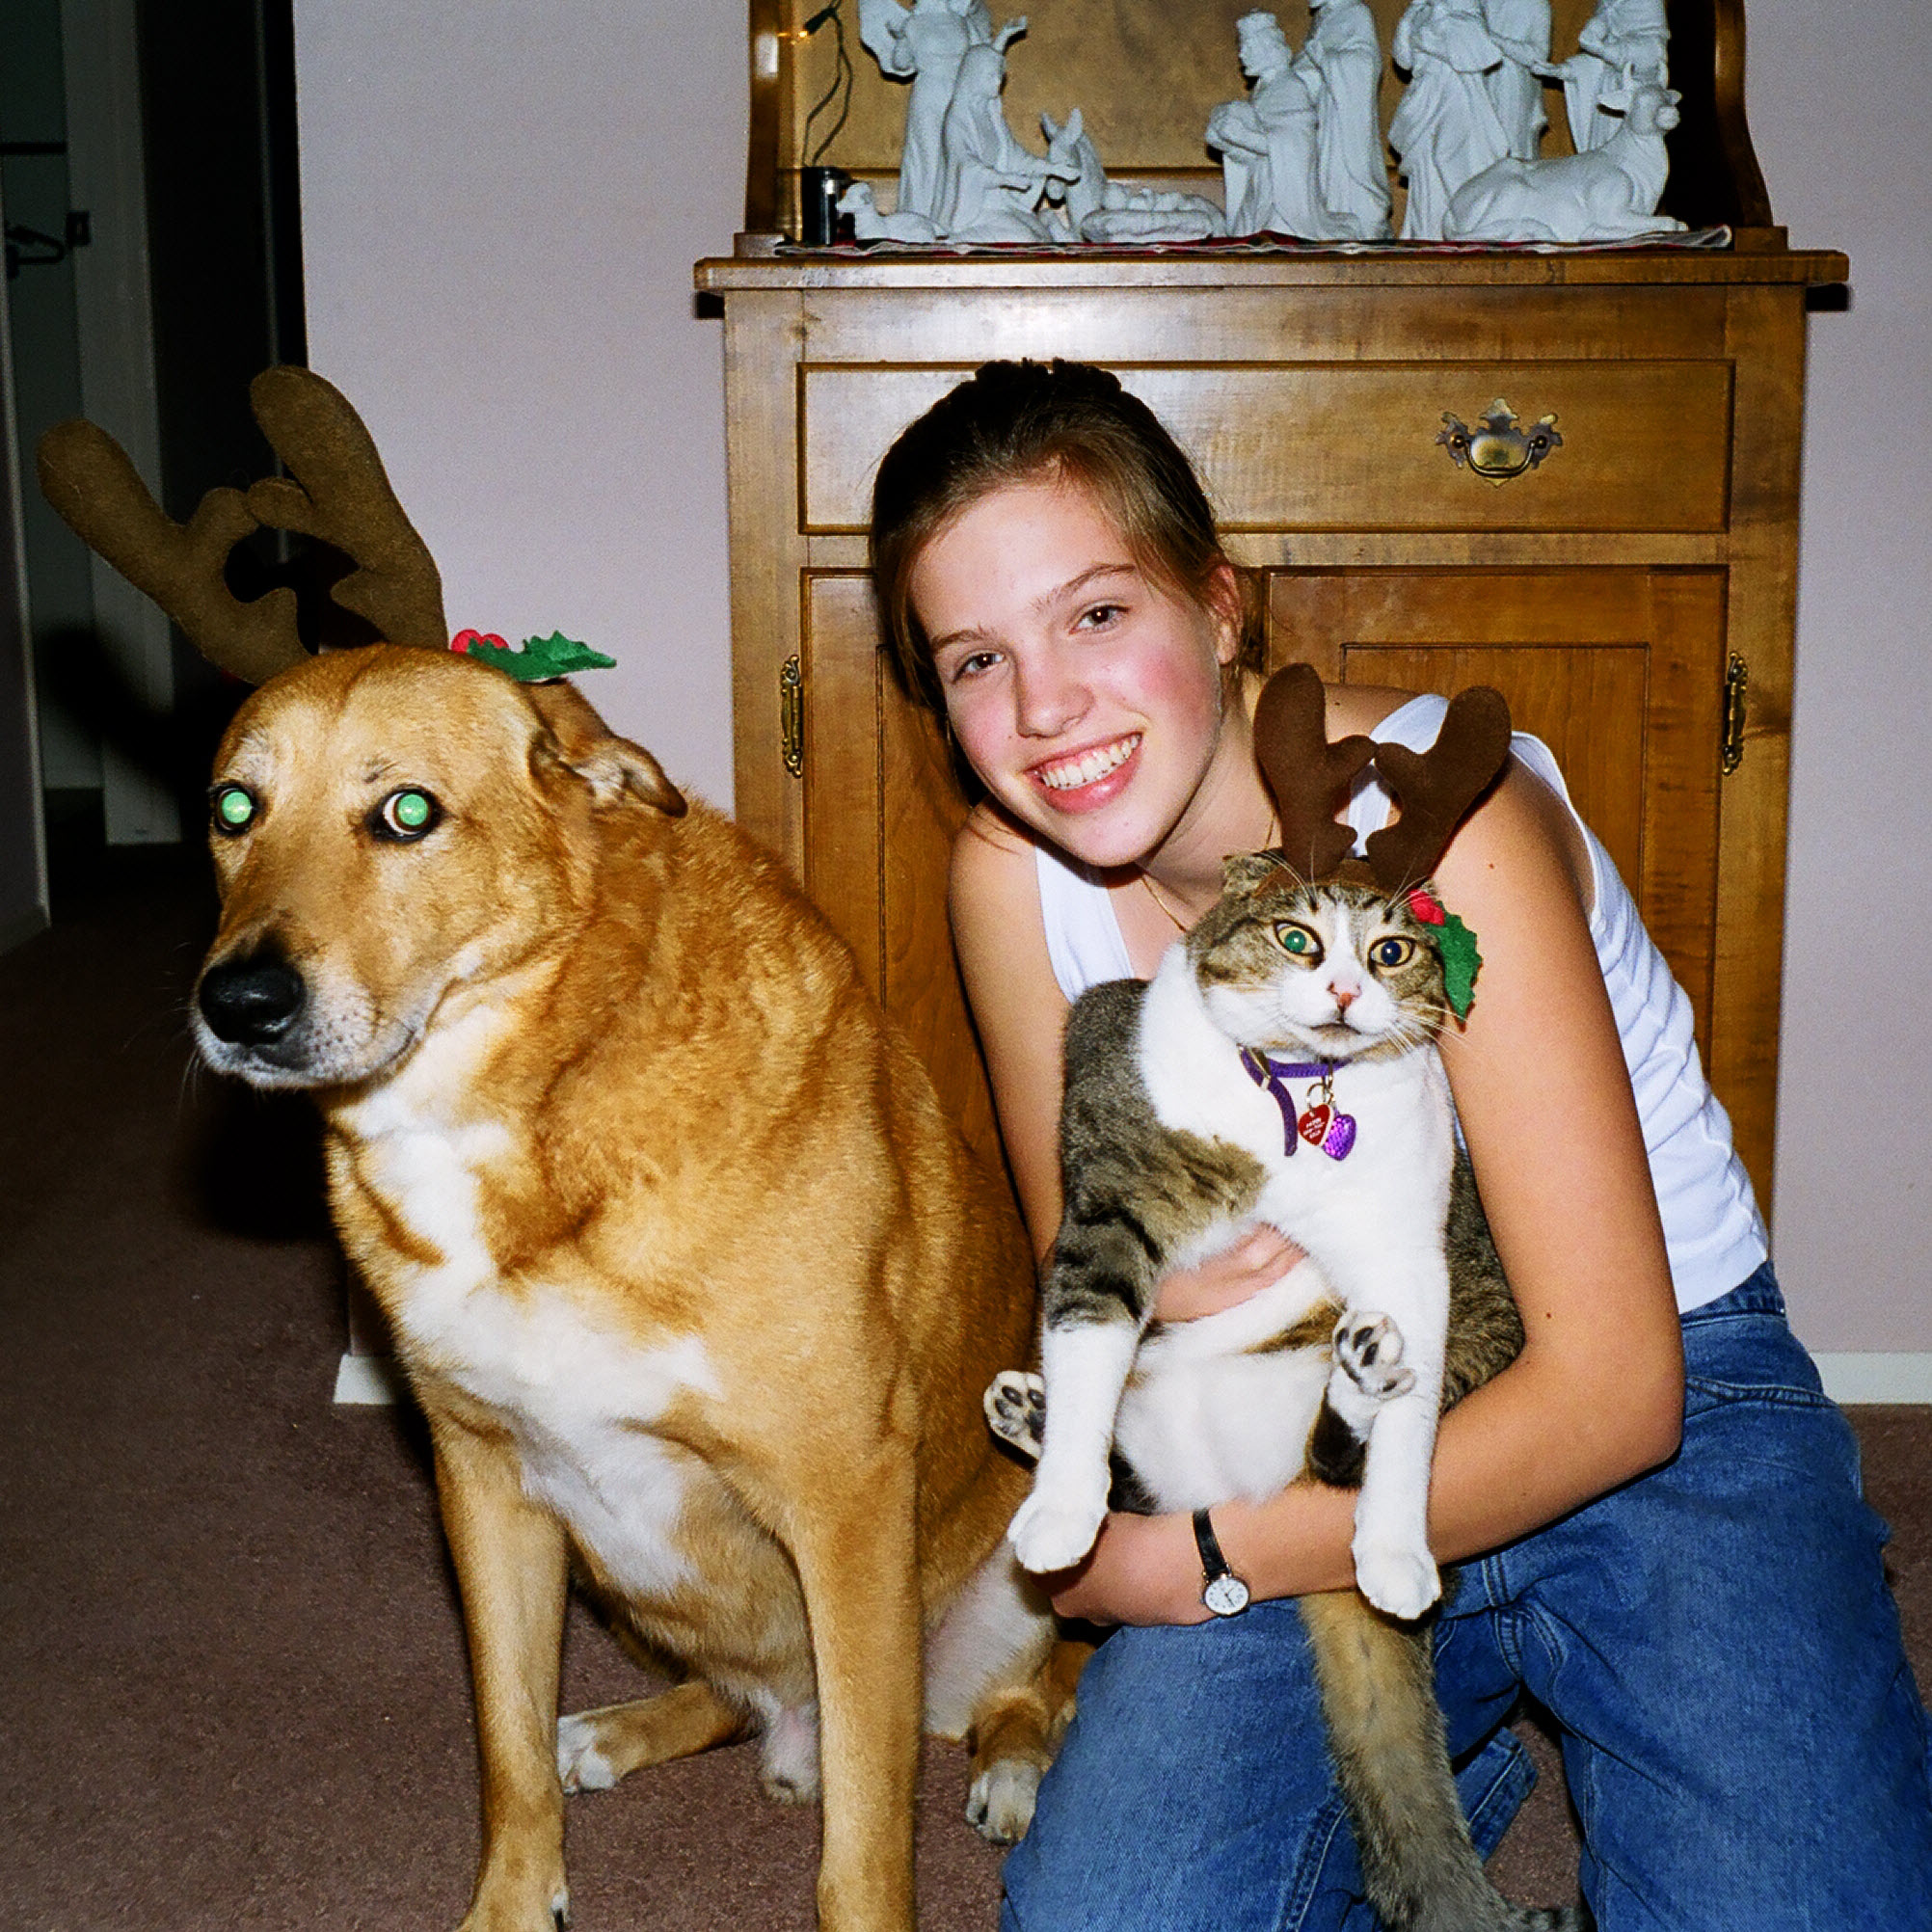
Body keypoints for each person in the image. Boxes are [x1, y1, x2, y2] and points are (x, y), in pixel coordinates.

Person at [867, 359, 1932, 1931]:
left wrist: (1205, 1565)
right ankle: (1445, 1777)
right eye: (973, 659)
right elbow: (1102, 1275)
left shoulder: (1443, 823)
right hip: (1285, 1406)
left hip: (1647, 1405)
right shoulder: (1004, 882)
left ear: (1222, 607)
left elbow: (1615, 1394)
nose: (1042, 711)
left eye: (1097, 616)